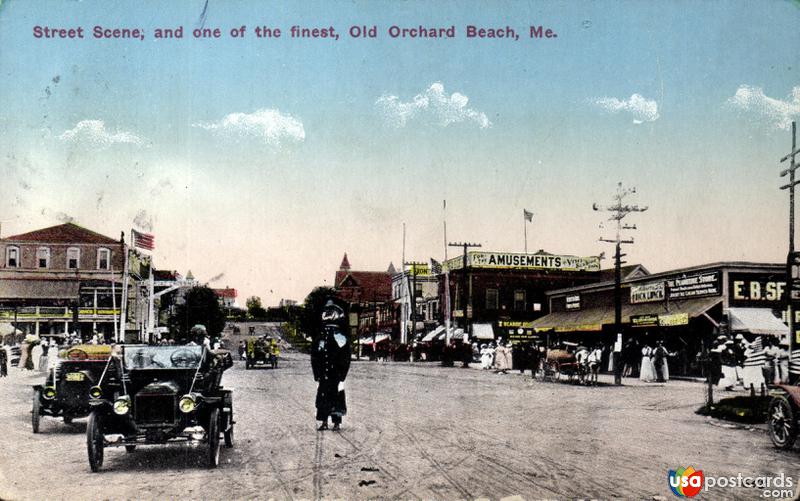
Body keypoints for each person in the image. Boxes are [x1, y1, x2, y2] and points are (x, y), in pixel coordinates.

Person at [310, 299, 351, 431]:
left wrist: (342, 377)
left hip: (335, 375)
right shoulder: (320, 338)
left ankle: (336, 422)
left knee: (337, 398)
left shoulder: (341, 338)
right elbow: (315, 357)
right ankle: (324, 422)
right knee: (323, 398)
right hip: (324, 375)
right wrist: (317, 374)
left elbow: (345, 359)